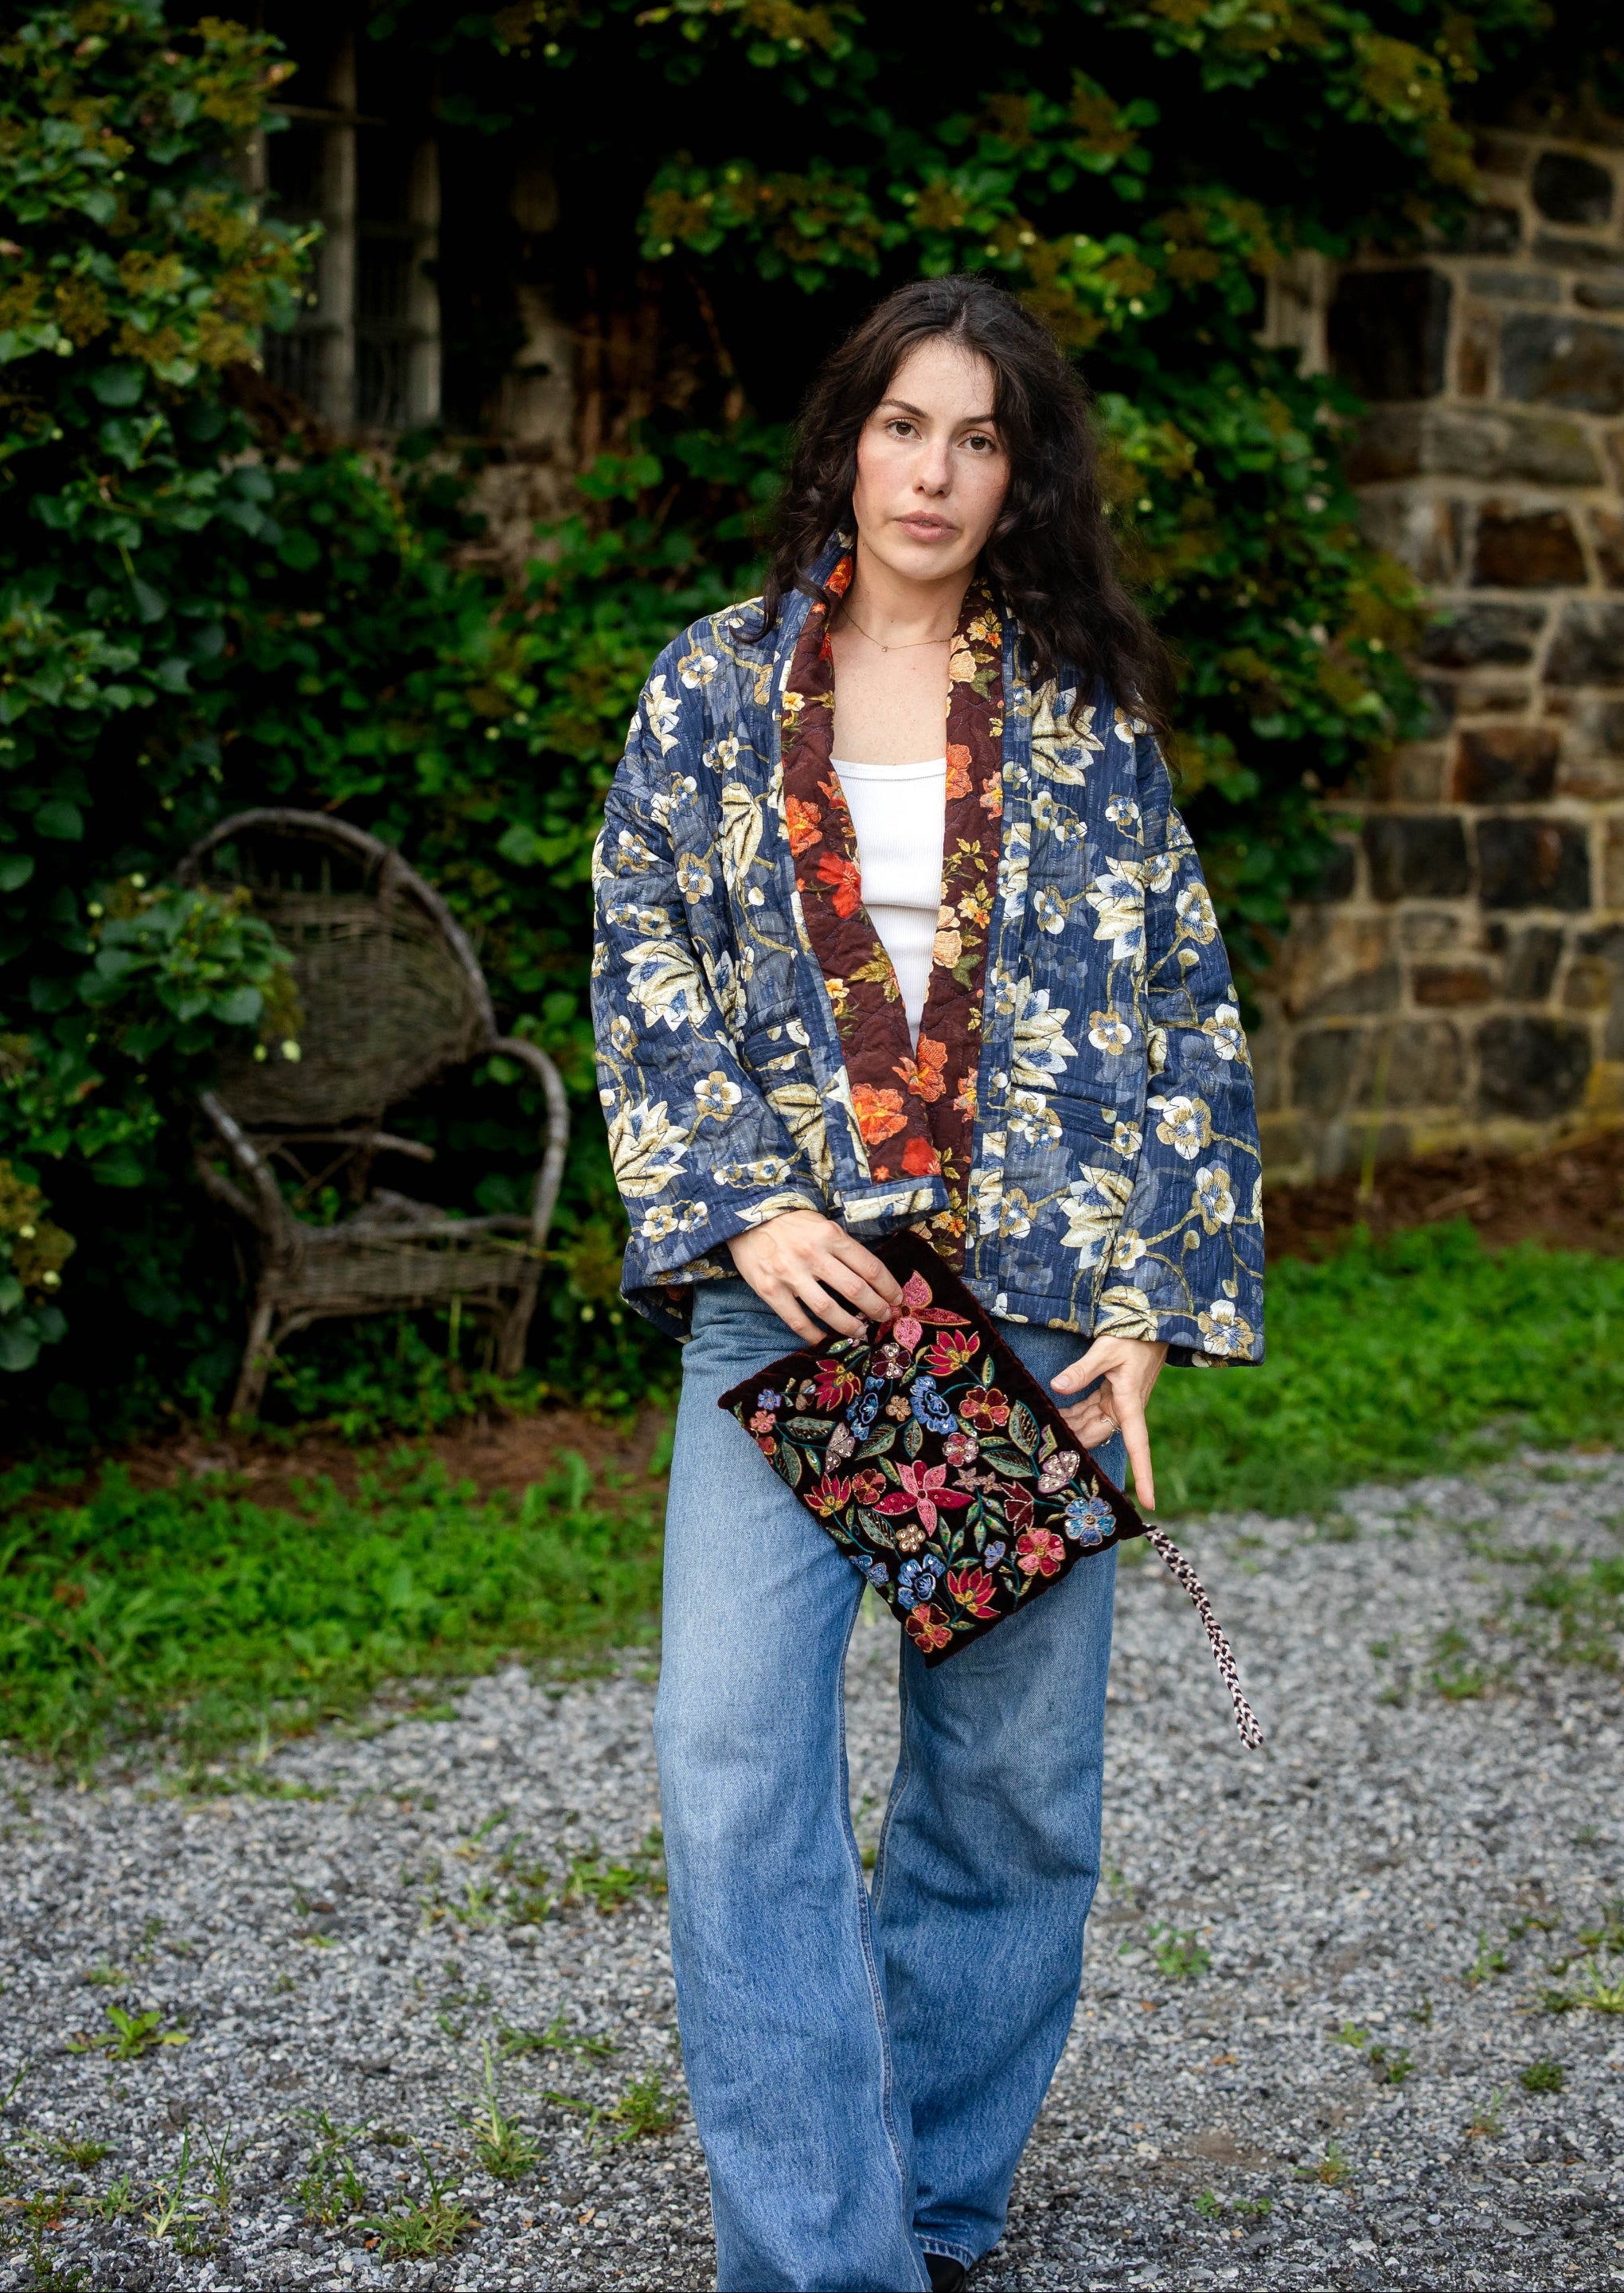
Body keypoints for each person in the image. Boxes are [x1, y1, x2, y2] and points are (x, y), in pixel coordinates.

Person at [591, 274, 1264, 2293]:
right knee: (731, 1765)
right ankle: (825, 2259)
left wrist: (1143, 1310)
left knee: (1010, 1793)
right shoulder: (714, 688)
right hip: (787, 1311)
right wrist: (740, 1207)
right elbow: (642, 951)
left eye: (980, 438)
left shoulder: (1086, 719)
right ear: (849, 439)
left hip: (1034, 1304)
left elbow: (1181, 1011)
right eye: (906, 425)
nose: (936, 473)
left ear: (1019, 474)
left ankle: (937, 2207)